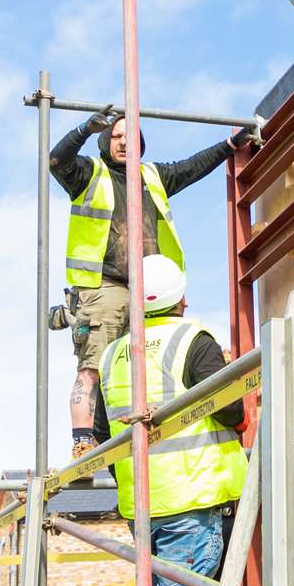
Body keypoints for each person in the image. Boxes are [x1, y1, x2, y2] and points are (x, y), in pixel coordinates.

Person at [50, 109, 233, 460]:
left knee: (147, 363)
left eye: (130, 137)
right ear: (106, 141)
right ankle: (84, 441)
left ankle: (137, 434)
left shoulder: (152, 176)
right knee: (93, 366)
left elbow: (193, 166)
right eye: (116, 137)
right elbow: (57, 161)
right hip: (103, 287)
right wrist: (85, 129)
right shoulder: (89, 173)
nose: (123, 143)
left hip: (150, 288)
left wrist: (228, 144)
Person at [89, 254, 246, 586]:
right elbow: (231, 410)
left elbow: (103, 433)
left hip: (141, 506)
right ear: (182, 300)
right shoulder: (194, 341)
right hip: (192, 500)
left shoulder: (112, 354)